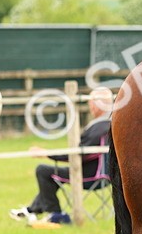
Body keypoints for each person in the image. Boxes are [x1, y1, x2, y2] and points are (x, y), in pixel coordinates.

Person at [10, 87, 114, 223]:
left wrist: (47, 154)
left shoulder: (98, 128)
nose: (90, 106)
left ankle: (56, 214)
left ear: (97, 105)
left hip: (89, 175)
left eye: (91, 103)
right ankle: (32, 209)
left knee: (43, 170)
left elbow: (77, 155)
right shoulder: (111, 125)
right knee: (52, 174)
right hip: (106, 174)